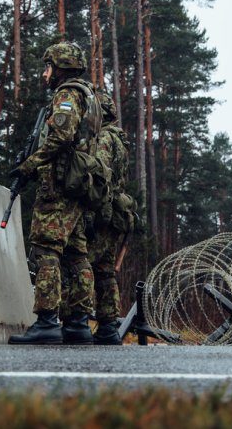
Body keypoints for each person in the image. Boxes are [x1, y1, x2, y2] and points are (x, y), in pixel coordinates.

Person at [8, 42, 101, 345]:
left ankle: (47, 321)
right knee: (76, 255)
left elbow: (60, 137)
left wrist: (28, 165)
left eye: (48, 67)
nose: (45, 73)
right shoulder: (88, 96)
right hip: (76, 187)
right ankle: (77, 323)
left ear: (60, 67)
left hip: (59, 187)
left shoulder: (67, 95)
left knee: (46, 249)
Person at [88, 93, 133, 345]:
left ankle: (78, 321)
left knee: (84, 264)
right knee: (105, 271)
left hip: (102, 211)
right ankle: (107, 325)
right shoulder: (119, 139)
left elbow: (98, 172)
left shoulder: (104, 138)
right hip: (114, 212)